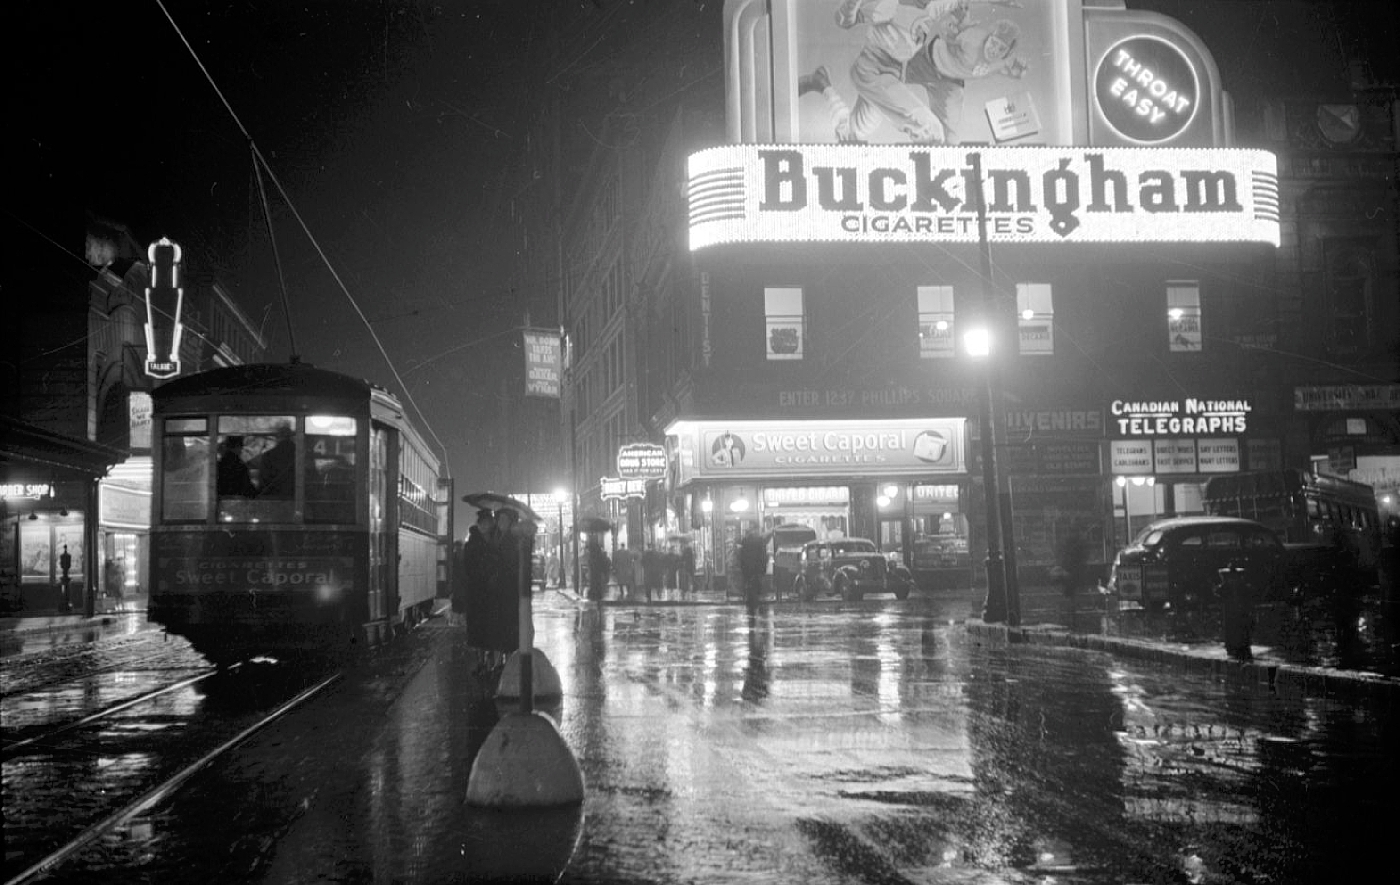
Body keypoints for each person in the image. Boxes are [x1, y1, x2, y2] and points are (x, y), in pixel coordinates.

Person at [257, 423, 296, 498]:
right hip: (297, 499)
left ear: (278, 437)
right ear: (291, 437)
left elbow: (263, 483)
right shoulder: (302, 455)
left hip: (274, 500)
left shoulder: (268, 456)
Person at [738, 530, 769, 611]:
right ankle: (756, 600)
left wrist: (742, 568)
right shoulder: (759, 542)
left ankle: (748, 598)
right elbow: (763, 557)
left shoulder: (745, 542)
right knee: (756, 584)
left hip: (748, 569)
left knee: (748, 583)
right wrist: (763, 569)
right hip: (757, 569)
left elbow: (742, 557)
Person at [586, 538, 610, 602]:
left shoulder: (592, 557)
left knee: (596, 588)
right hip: (597, 576)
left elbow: (590, 565)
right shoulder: (600, 556)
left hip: (595, 577)